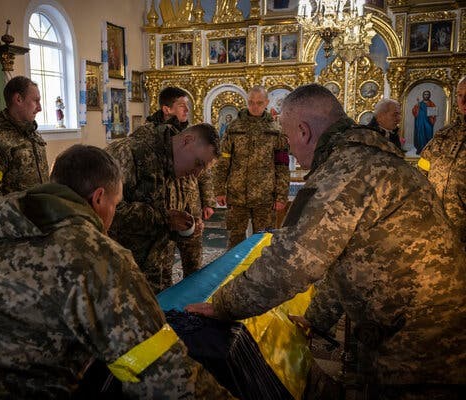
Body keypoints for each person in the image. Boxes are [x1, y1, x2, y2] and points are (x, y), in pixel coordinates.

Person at [0, 145, 234, 399]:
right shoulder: (97, 255)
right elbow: (162, 375)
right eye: (116, 205)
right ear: (98, 199)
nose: (112, 216)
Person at [187, 83, 465, 399]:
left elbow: (289, 262)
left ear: (304, 132)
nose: (289, 149)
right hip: (421, 326)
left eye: (289, 139)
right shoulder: (365, 155)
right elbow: (346, 257)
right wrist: (317, 318)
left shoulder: (339, 173)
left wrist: (222, 306)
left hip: (421, 344)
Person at [106, 122, 220, 293]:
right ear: (187, 141)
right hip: (124, 279)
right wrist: (165, 218)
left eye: (202, 169)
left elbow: (173, 224)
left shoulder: (184, 170)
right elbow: (104, 212)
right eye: (198, 163)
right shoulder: (126, 153)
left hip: (161, 278)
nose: (197, 174)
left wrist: (187, 227)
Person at [142, 87, 217, 280]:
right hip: (166, 209)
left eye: (188, 106)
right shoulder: (150, 136)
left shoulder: (191, 134)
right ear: (167, 109)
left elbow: (204, 173)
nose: (187, 110)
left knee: (193, 260)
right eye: (182, 106)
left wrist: (208, 201)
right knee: (163, 263)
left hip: (191, 205)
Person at [213, 85, 290, 249]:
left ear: (267, 103)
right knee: (235, 241)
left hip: (265, 196)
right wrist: (219, 189)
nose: (255, 107)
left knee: (262, 243)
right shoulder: (234, 128)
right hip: (237, 195)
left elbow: (282, 164)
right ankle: (235, 275)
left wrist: (281, 195)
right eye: (251, 102)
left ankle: (259, 274)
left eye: (259, 103)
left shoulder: (276, 130)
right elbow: (223, 160)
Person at [0, 76, 49, 209]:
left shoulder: (32, 133)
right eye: (35, 101)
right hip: (14, 224)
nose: (40, 108)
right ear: (18, 99)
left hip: (38, 219)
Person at [418, 76, 466, 246]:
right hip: (438, 230)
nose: (463, 101)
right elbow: (422, 171)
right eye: (460, 95)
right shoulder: (443, 135)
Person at [411, 89, 437, 154]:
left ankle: (427, 150)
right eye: (425, 94)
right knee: (420, 136)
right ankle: (420, 149)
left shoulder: (432, 104)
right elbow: (414, 112)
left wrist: (433, 116)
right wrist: (417, 106)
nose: (426, 96)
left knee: (428, 135)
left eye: (427, 94)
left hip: (428, 122)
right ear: (423, 95)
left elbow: (433, 115)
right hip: (420, 123)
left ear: (429, 96)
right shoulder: (419, 104)